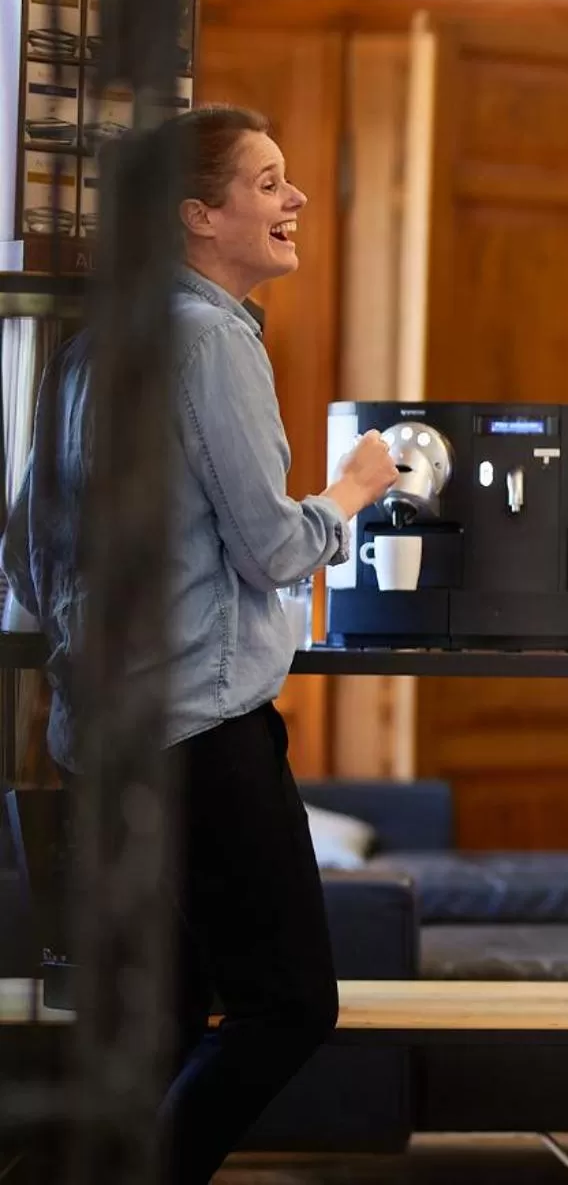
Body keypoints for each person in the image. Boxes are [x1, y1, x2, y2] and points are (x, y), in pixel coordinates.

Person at [2, 106, 401, 1183]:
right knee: (287, 1007)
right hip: (203, 735)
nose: (295, 198)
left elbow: (27, 554)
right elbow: (274, 550)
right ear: (196, 215)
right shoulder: (215, 339)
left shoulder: (92, 346)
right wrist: (351, 491)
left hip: (104, 743)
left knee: (167, 1018)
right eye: (267, 183)